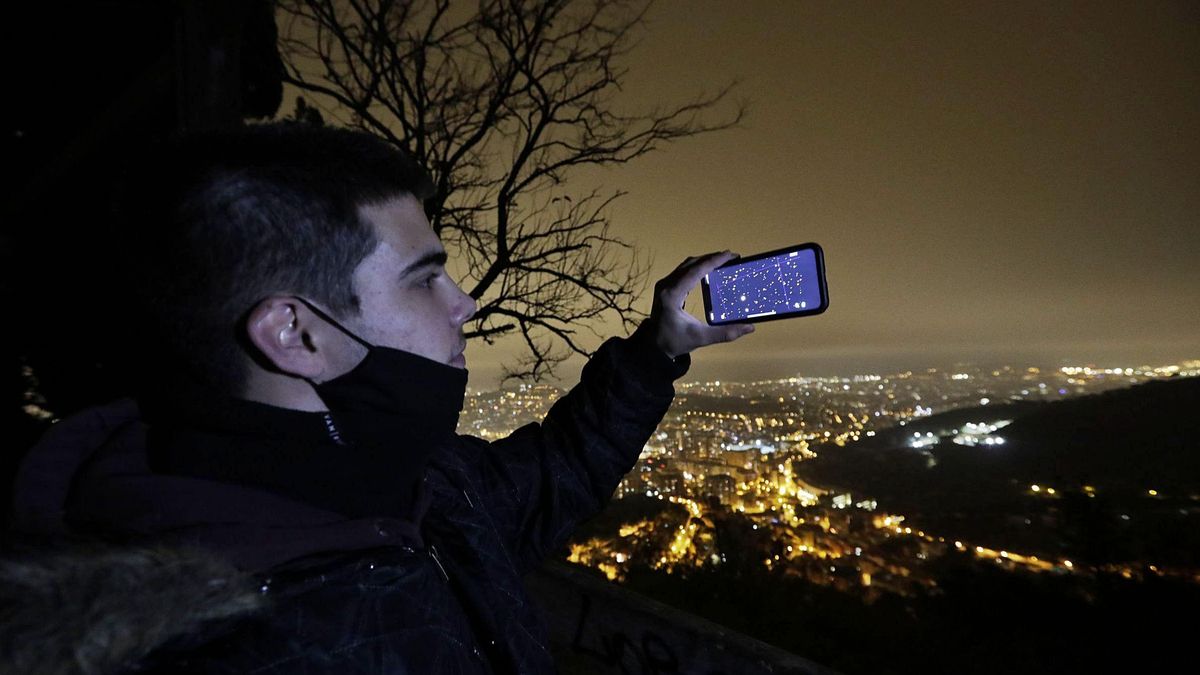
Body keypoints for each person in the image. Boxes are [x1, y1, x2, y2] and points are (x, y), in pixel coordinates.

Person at [7, 123, 753, 674]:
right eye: (425, 276)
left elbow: (554, 474)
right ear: (295, 334)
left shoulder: (415, 485)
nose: (462, 304)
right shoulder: (237, 647)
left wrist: (659, 348)